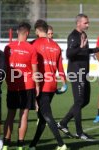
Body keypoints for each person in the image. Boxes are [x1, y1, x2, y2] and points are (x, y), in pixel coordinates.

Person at [57, 14, 99, 141]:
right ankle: (79, 132)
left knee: (85, 101)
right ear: (78, 23)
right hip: (76, 73)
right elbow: (69, 54)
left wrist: (97, 49)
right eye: (85, 23)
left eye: (88, 22)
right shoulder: (73, 36)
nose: (88, 25)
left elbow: (83, 51)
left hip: (83, 73)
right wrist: (80, 47)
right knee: (79, 102)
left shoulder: (83, 35)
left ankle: (63, 123)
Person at [28, 19, 67, 150]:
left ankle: (61, 144)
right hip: (52, 85)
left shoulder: (34, 44)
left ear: (38, 30)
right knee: (43, 117)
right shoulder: (56, 46)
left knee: (46, 115)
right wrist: (64, 83)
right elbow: (60, 67)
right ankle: (33, 145)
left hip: (41, 84)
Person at [2, 22, 38, 150]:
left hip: (12, 86)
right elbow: (35, 71)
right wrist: (37, 87)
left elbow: (4, 68)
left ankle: (6, 144)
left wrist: (8, 81)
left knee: (10, 115)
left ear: (17, 32)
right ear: (27, 33)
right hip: (27, 86)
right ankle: (20, 145)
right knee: (24, 115)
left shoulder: (8, 47)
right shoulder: (31, 48)